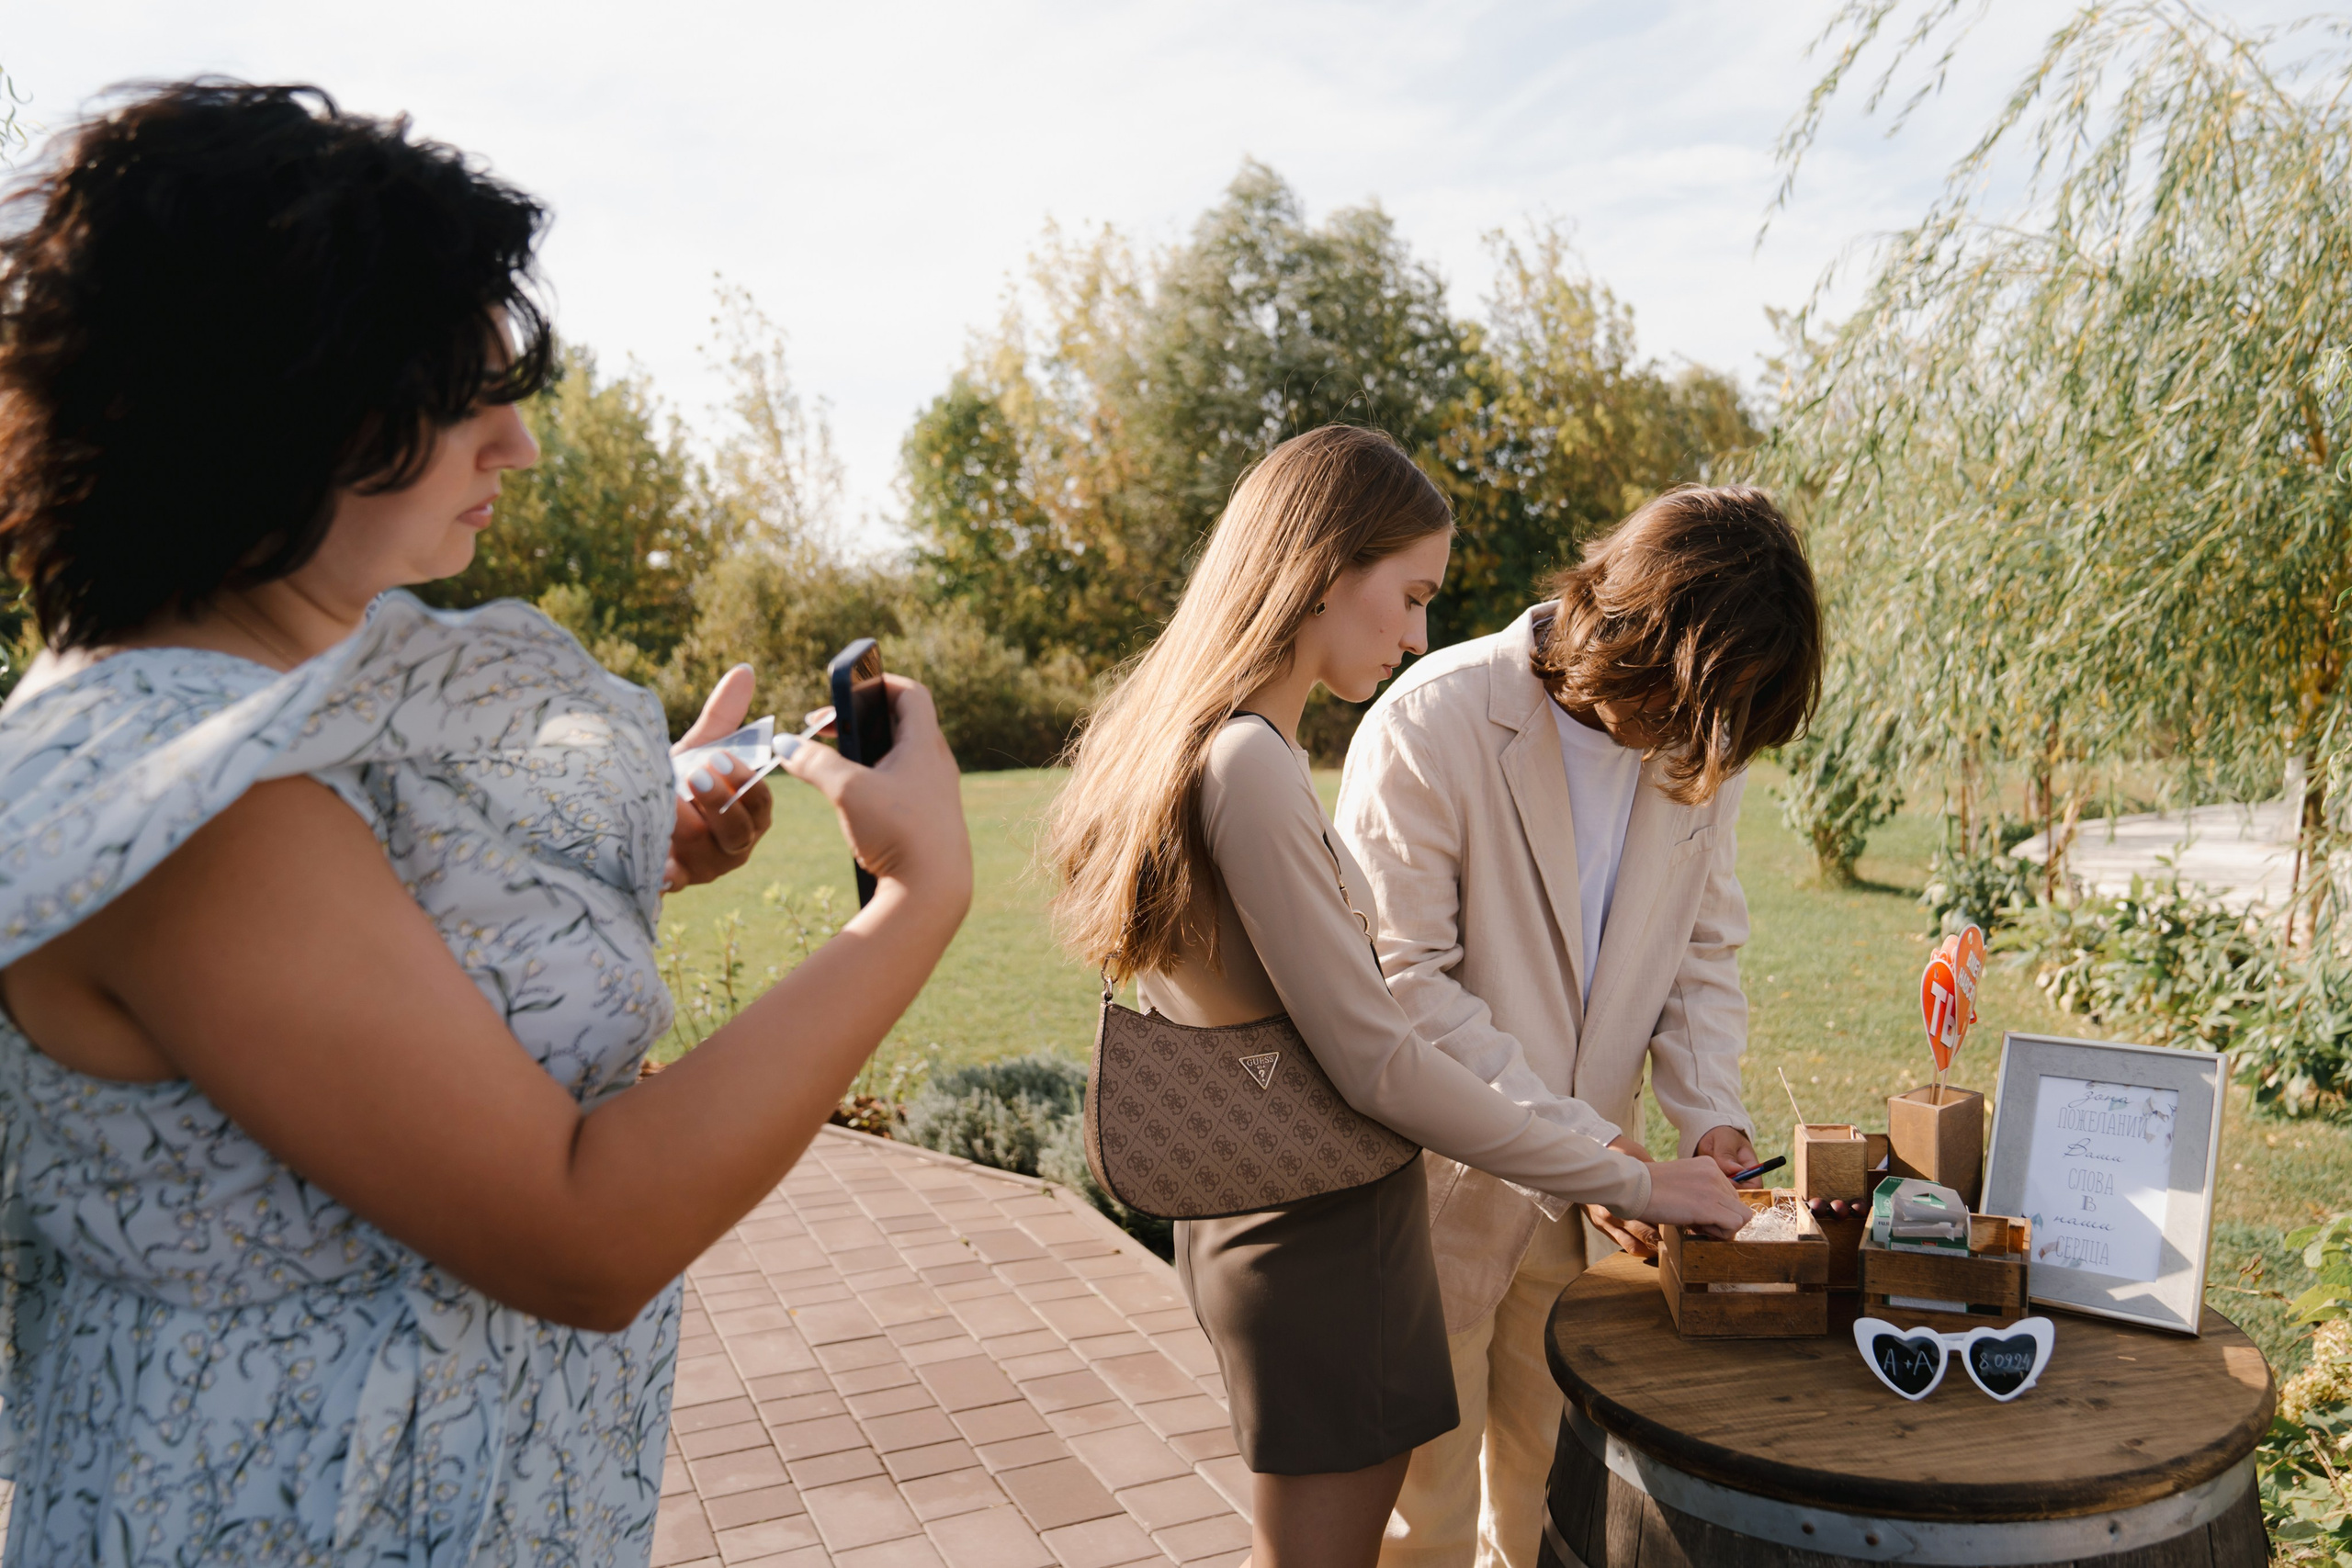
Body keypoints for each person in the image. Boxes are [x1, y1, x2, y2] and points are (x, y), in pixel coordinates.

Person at [0, 83, 971, 1564]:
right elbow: (579, 1233)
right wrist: (914, 902)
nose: (513, 446)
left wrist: (639, 828)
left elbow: (361, 969)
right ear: (260, 398)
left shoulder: (246, 704)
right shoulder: (191, 810)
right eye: (457, 394)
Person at [1043, 427, 1751, 1568]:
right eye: (1411, 593)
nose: (1422, 630)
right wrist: (1626, 1171)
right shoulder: (1256, 765)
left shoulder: (1224, 752)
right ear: (1324, 569)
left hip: (1296, 1238)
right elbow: (1383, 1057)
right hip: (1338, 1247)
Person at [1333, 486, 1823, 1568]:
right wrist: (1603, 1157)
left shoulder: (1700, 739)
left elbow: (1700, 953)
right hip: (1426, 1204)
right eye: (1701, 711)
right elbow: (1403, 988)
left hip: (1592, 1218)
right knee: (1421, 1527)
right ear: (1635, 634)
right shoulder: (1432, 721)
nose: (1711, 746)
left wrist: (1710, 1125)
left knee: (1558, 1512)